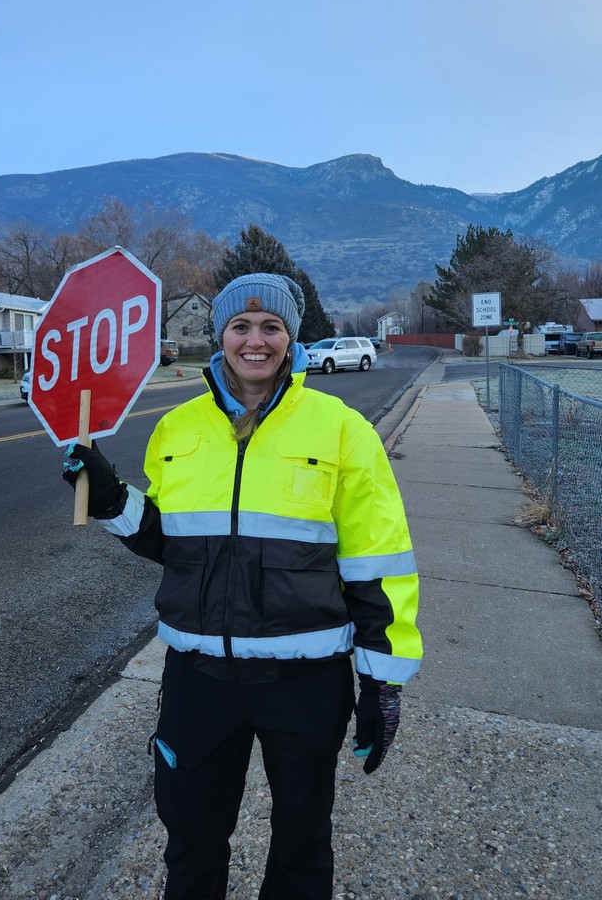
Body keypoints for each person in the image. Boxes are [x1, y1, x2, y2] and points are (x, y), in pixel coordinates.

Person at [62, 272, 423, 900]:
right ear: (220, 335)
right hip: (198, 680)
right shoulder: (176, 429)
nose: (255, 341)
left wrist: (383, 681)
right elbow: (170, 543)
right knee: (192, 846)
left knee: (302, 848)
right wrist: (113, 498)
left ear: (292, 336)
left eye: (271, 327)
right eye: (240, 327)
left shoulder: (341, 430)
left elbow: (378, 562)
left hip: (305, 682)